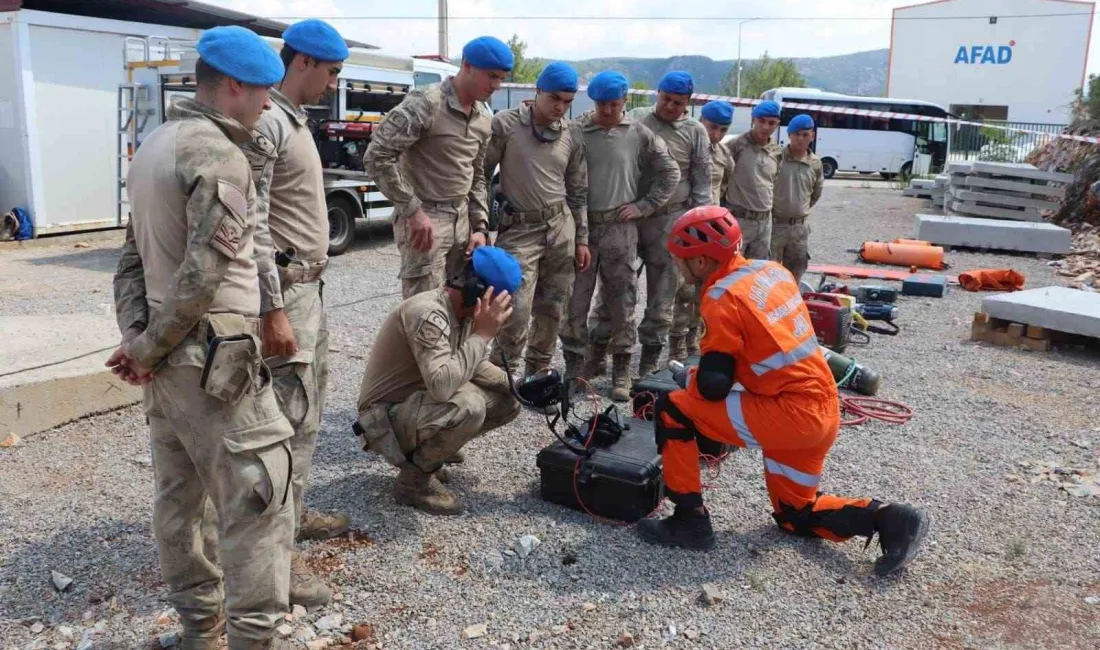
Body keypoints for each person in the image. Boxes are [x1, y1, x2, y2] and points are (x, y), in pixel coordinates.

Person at [110, 26, 296, 649]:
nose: (270, 104)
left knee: (180, 500)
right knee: (257, 502)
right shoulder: (220, 156)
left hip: (169, 366)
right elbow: (203, 274)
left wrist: (139, 341)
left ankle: (200, 632)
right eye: (264, 91)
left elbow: (130, 261)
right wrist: (146, 348)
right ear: (235, 86)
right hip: (215, 356)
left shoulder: (155, 144)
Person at [636, 206, 930, 577]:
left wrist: (690, 379)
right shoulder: (771, 271)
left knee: (673, 408)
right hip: (822, 410)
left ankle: (688, 520)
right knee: (794, 515)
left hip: (789, 416)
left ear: (702, 261)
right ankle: (890, 519)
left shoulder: (721, 296)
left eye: (683, 260)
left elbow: (713, 387)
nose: (679, 267)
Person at [238, 18, 350, 611]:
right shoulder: (269, 126)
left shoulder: (290, 120)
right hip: (286, 295)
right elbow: (252, 222)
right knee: (286, 425)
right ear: (303, 61)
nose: (335, 83)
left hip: (309, 290)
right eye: (332, 72)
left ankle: (292, 516)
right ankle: (271, 569)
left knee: (304, 416)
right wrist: (271, 308)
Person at [354, 247, 522, 515]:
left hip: (415, 403)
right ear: (477, 290)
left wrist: (519, 388)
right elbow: (443, 386)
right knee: (469, 406)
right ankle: (413, 482)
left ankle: (431, 453)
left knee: (508, 401)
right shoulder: (427, 313)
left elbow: (473, 364)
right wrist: (483, 335)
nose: (503, 313)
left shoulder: (465, 312)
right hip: (382, 419)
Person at [559, 70, 679, 402]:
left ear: (624, 101)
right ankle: (574, 370)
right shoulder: (578, 130)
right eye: (601, 105)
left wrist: (645, 206)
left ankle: (621, 369)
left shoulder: (639, 134)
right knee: (575, 300)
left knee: (622, 300)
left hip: (619, 227)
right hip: (582, 227)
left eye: (613, 104)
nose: (607, 111)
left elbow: (670, 171)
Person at [364, 36, 512, 299]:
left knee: (462, 304)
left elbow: (477, 175)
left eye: (501, 78)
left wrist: (479, 227)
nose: (496, 85)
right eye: (491, 76)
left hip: (463, 219)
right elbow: (377, 156)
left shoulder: (482, 118)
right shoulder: (426, 104)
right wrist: (412, 210)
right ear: (467, 66)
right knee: (424, 311)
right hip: (426, 219)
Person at [590, 71, 712, 378]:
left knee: (662, 296)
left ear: (689, 102)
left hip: (670, 223)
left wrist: (695, 229)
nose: (670, 106)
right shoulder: (636, 118)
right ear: (657, 94)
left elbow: (702, 184)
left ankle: (648, 363)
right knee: (615, 290)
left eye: (677, 102)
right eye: (665, 98)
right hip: (628, 218)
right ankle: (599, 352)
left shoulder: (695, 132)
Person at [483, 61, 589, 380]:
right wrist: (480, 224)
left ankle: (537, 373)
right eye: (554, 98)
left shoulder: (572, 134)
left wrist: (582, 238)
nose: (560, 107)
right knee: (515, 308)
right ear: (537, 91)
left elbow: (578, 190)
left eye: (568, 101)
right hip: (520, 230)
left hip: (560, 228)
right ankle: (501, 376)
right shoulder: (505, 125)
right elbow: (480, 174)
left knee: (553, 306)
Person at [670, 100, 734, 362]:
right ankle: (675, 340)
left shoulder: (724, 156)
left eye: (721, 129)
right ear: (700, 122)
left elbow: (724, 188)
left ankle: (694, 337)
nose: (715, 135)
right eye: (711, 127)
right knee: (682, 288)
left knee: (707, 289)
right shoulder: (685, 144)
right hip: (688, 230)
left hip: (712, 234)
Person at [771, 114, 824, 283]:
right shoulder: (777, 158)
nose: (801, 139)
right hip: (775, 225)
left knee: (794, 275)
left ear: (812, 136)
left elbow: (816, 193)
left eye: (805, 134)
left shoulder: (815, 163)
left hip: (800, 229)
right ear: (789, 135)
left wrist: (800, 209)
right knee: (769, 274)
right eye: (796, 134)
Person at [725, 100, 782, 259]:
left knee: (757, 272)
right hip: (739, 220)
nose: (765, 127)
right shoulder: (736, 146)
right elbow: (722, 179)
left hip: (764, 223)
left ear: (777, 124)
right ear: (753, 119)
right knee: (731, 269)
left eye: (771, 123)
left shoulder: (776, 151)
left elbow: (774, 182)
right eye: (761, 121)